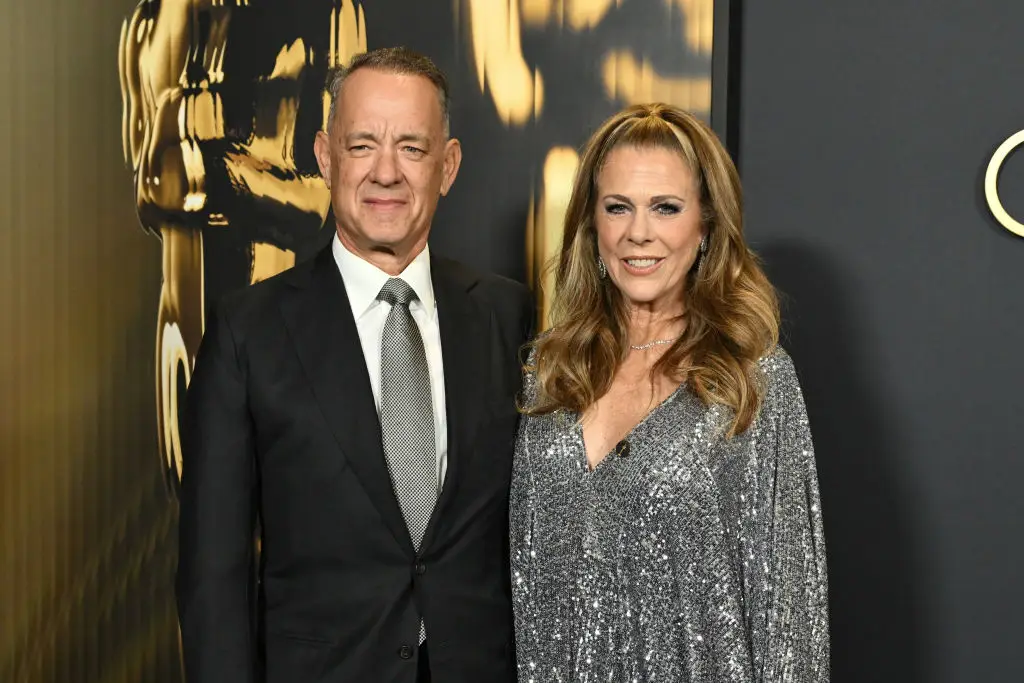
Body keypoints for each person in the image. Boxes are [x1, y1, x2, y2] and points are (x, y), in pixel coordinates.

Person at [176, 47, 533, 683]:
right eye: (362, 145)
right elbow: (214, 576)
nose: (385, 172)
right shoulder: (248, 333)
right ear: (325, 156)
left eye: (412, 148)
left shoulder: (508, 316)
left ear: (448, 166)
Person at [510, 103, 829, 682]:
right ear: (592, 225)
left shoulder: (753, 380)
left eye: (666, 207)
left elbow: (790, 615)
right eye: (618, 207)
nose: (639, 232)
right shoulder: (549, 373)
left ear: (705, 225)